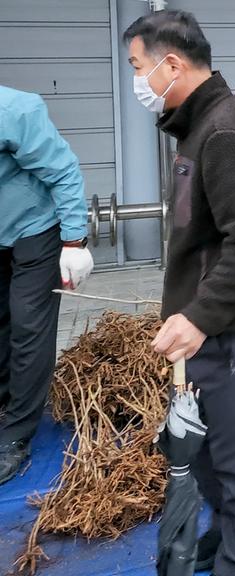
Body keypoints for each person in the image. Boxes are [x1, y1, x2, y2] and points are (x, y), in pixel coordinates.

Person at [124, 11, 235, 575]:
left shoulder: (225, 131)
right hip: (209, 327)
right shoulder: (198, 124)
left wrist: (199, 317)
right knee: (206, 458)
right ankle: (223, 537)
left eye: (138, 67)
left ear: (172, 64)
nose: (137, 81)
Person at [0, 86, 93, 486]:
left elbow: (64, 171)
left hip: (34, 228)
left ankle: (16, 433)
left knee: (27, 325)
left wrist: (74, 241)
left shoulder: (14, 110)